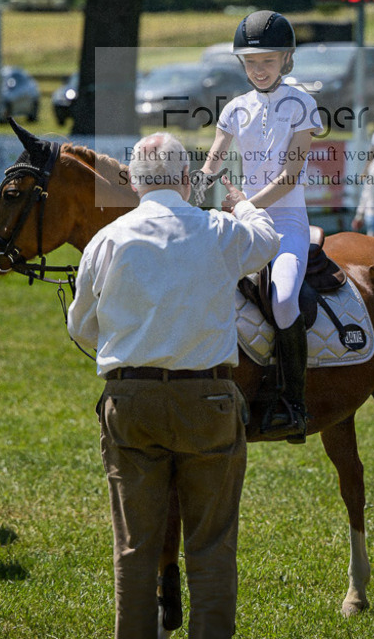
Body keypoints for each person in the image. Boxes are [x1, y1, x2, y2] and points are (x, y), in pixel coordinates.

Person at [67, 131, 280, 639]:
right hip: (207, 399)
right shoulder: (218, 228)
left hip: (130, 400)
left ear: (134, 184)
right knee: (211, 546)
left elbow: (81, 327)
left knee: (135, 546)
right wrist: (242, 203)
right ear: (186, 181)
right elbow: (268, 242)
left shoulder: (108, 239)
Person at [194, 10, 324, 444]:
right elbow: (215, 158)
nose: (259, 69)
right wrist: (193, 188)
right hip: (242, 221)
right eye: (250, 62)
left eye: (268, 60)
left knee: (284, 300)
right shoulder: (235, 108)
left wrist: (246, 203)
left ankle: (294, 404)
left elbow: (290, 175)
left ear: (287, 60)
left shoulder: (302, 103)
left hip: (285, 221)